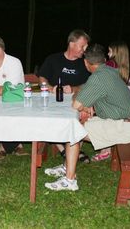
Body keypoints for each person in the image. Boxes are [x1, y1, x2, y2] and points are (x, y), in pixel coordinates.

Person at [44, 44, 130, 191]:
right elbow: (86, 93)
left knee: (74, 130)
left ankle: (70, 181)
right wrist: (87, 104)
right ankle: (66, 167)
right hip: (124, 122)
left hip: (123, 128)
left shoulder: (98, 78)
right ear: (103, 59)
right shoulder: (108, 71)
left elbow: (76, 104)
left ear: (85, 62)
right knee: (81, 124)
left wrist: (83, 103)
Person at [37, 29, 91, 163]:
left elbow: (88, 84)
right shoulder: (53, 59)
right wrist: (49, 88)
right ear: (72, 44)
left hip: (75, 102)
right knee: (44, 118)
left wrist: (73, 88)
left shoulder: (84, 63)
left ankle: (71, 149)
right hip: (53, 102)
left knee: (82, 117)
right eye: (82, 46)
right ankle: (64, 149)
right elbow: (42, 77)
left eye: (85, 47)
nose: (84, 50)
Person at [92, 41, 130, 161]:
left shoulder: (110, 64)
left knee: (105, 121)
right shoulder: (124, 67)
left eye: (110, 51)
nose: (108, 54)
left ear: (116, 52)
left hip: (108, 100)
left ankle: (106, 149)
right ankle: (107, 148)